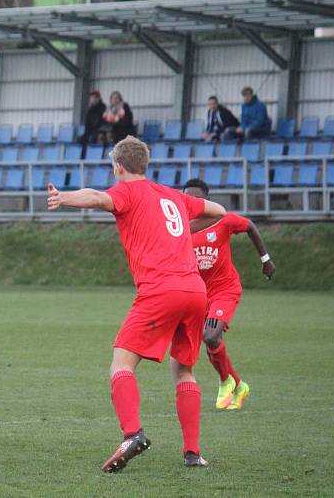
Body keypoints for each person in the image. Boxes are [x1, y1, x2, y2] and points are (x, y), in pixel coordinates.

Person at [47, 136, 226, 472]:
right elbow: (219, 211)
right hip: (195, 291)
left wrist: (64, 197)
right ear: (145, 164)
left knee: (121, 364)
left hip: (161, 289)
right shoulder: (173, 196)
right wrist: (185, 231)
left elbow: (99, 198)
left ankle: (132, 434)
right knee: (184, 369)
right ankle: (193, 453)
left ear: (118, 166)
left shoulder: (127, 192)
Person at [183, 178, 275, 410]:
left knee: (211, 336)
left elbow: (250, 226)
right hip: (199, 294)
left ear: (208, 200)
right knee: (212, 344)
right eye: (187, 198)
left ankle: (226, 382)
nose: (191, 201)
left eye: (197, 197)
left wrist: (265, 260)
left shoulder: (223, 220)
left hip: (225, 290)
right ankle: (238, 385)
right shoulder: (183, 227)